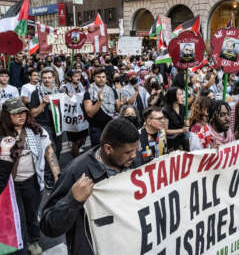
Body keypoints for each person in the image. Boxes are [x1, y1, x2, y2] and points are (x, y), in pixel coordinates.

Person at [40, 118, 140, 255]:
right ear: (108, 149)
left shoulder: (134, 161)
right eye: (128, 152)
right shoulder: (76, 172)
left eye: (136, 150)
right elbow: (48, 226)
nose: (134, 155)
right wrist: (72, 200)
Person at [0, 98, 60, 255]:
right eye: (16, 113)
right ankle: (20, 244)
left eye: (23, 112)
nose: (21, 116)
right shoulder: (2, 135)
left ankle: (33, 241)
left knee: (32, 213)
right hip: (9, 186)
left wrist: (57, 175)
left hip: (32, 182)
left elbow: (49, 151)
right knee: (16, 216)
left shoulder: (36, 130)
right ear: (7, 115)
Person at [29, 67, 62, 189]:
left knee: (58, 149)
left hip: (58, 125)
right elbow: (32, 113)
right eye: (44, 78)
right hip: (43, 125)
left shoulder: (59, 91)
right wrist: (43, 103)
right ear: (41, 79)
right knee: (50, 150)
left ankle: (55, 172)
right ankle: (49, 177)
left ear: (54, 78)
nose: (47, 80)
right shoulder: (35, 93)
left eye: (49, 77)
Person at [84, 68, 120, 146]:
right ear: (94, 78)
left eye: (103, 77)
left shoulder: (112, 90)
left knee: (111, 149)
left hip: (110, 126)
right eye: (98, 77)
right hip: (96, 128)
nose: (101, 79)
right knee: (97, 151)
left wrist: (120, 104)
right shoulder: (89, 92)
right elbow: (90, 113)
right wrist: (99, 101)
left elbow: (118, 109)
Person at [61, 70, 88, 158]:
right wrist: (67, 95)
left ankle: (74, 150)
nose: (78, 78)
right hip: (72, 118)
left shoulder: (81, 86)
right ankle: (75, 159)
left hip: (81, 118)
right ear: (70, 78)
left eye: (79, 75)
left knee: (83, 139)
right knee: (75, 141)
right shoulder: (65, 87)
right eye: (75, 76)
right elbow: (61, 96)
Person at [163, 86, 189, 151]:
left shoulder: (183, 107)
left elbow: (186, 122)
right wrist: (181, 130)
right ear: (173, 96)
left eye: (182, 94)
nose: (182, 96)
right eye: (179, 94)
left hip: (182, 139)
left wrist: (187, 124)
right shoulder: (166, 111)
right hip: (172, 141)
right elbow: (165, 131)